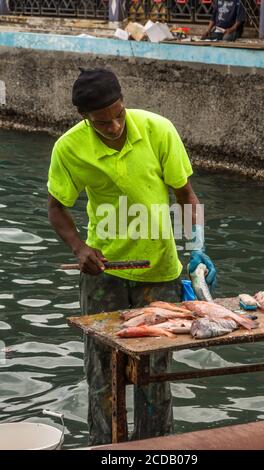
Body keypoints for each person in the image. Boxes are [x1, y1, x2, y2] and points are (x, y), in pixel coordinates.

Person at [47, 67, 217, 445]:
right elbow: (57, 207)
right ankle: (106, 449)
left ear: (124, 102)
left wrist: (197, 248)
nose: (114, 126)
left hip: (159, 272)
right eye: (102, 122)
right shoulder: (69, 148)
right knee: (103, 376)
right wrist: (79, 248)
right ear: (85, 118)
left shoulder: (158, 130)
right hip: (103, 274)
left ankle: (155, 448)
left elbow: (186, 196)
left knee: (154, 378)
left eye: (119, 114)